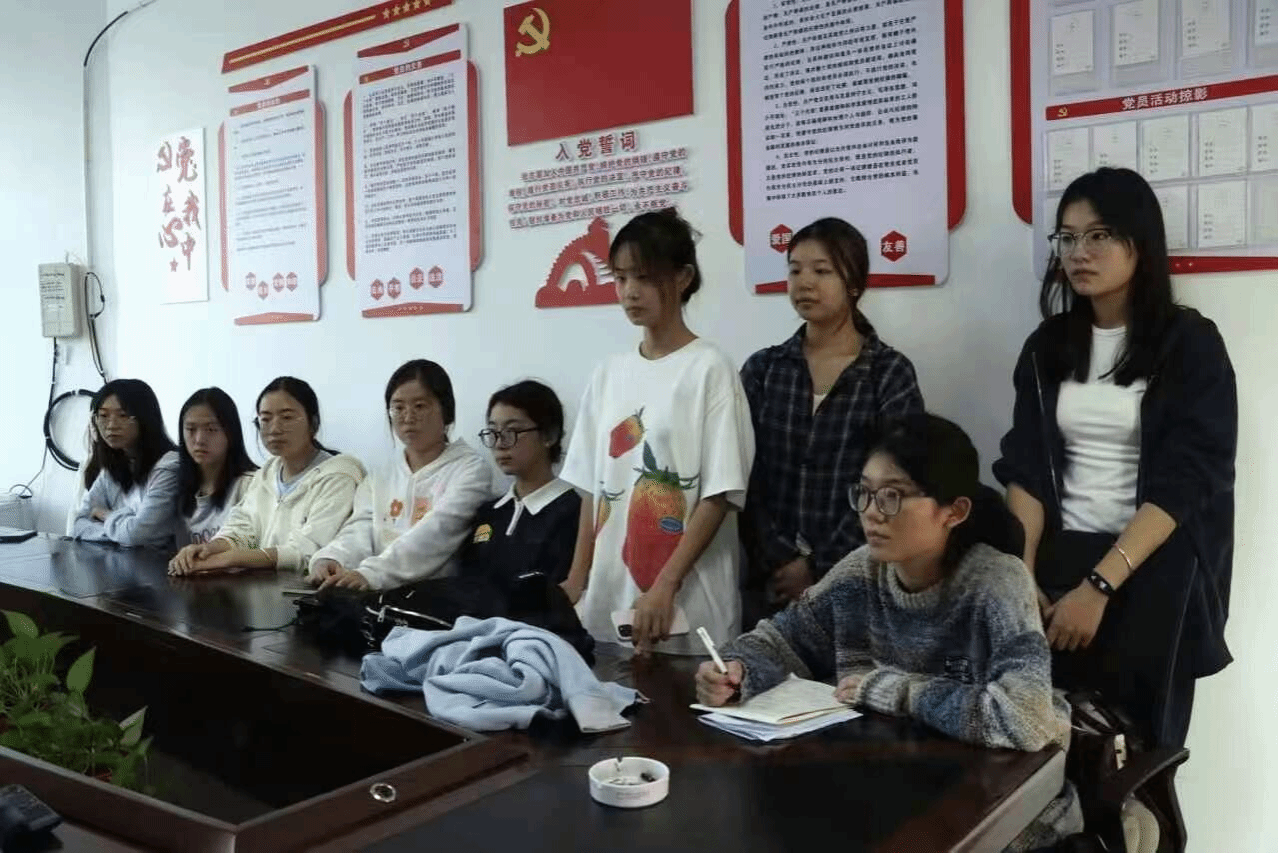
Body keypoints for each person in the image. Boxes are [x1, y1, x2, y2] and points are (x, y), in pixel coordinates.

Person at [696, 414, 1083, 851]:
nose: (872, 513)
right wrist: (738, 670)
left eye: (893, 496)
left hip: (1009, 812)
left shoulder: (997, 583)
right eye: (864, 493)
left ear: (954, 512)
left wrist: (897, 691)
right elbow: (780, 639)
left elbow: (1026, 720)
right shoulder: (860, 573)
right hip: (897, 792)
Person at [994, 168, 1236, 753]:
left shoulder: (1189, 343)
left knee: (1135, 761)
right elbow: (1026, 467)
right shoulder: (1047, 347)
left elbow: (1190, 479)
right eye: (1068, 237)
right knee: (1045, 751)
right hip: (1056, 567)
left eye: (1099, 235)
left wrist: (1099, 586)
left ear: (1140, 242)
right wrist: (1022, 575)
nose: (1079, 252)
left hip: (1151, 571)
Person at [559, 208, 755, 654]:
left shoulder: (710, 368)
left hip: (689, 603)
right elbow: (591, 490)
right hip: (611, 598)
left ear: (683, 277)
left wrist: (666, 584)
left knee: (684, 696)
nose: (629, 292)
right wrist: (577, 579)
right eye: (620, 277)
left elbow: (719, 494)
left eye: (644, 278)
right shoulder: (608, 373)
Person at [740, 217, 923, 625]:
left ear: (854, 282)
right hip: (767, 582)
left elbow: (896, 482)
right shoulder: (763, 370)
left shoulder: (888, 373)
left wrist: (817, 565)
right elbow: (745, 475)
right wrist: (778, 557)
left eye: (822, 271)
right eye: (795, 270)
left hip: (857, 580)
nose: (804, 282)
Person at [308, 360, 494, 591]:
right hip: (373, 592)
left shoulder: (470, 469)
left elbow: (437, 532)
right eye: (398, 408)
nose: (408, 417)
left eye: (420, 406)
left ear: (446, 410)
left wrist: (372, 574)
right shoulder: (382, 473)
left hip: (434, 597)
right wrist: (333, 557)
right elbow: (361, 527)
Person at [168, 377, 365, 577]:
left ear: (313, 423)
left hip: (310, 590)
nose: (274, 429)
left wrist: (229, 559)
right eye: (265, 419)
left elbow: (308, 549)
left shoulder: (340, 473)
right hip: (266, 588)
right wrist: (208, 550)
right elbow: (243, 530)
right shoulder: (267, 473)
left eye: (286, 417)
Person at [460, 380, 581, 588]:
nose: (500, 444)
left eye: (511, 432)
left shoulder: (574, 513)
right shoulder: (487, 513)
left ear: (549, 435)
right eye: (493, 433)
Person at [70, 379, 180, 549]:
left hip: (162, 563)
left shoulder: (170, 466)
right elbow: (78, 524)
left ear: (145, 418)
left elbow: (137, 533)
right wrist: (123, 529)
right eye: (103, 416)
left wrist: (106, 515)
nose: (111, 426)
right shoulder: (112, 467)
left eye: (123, 415)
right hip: (121, 560)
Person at [174, 388, 258, 546]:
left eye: (211, 429)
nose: (199, 440)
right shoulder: (179, 485)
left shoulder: (251, 484)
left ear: (231, 432)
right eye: (191, 429)